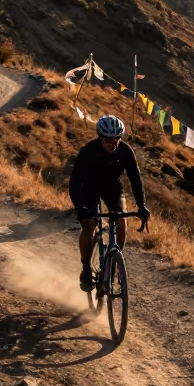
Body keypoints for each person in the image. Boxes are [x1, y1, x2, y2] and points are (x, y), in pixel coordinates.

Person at [69, 115, 149, 292]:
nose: (113, 143)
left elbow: (136, 180)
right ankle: (85, 268)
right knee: (89, 226)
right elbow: (74, 183)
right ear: (100, 137)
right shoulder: (88, 151)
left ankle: (113, 264)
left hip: (112, 188)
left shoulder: (126, 151)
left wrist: (141, 205)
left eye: (117, 139)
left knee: (121, 222)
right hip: (89, 189)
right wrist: (79, 207)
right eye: (108, 139)